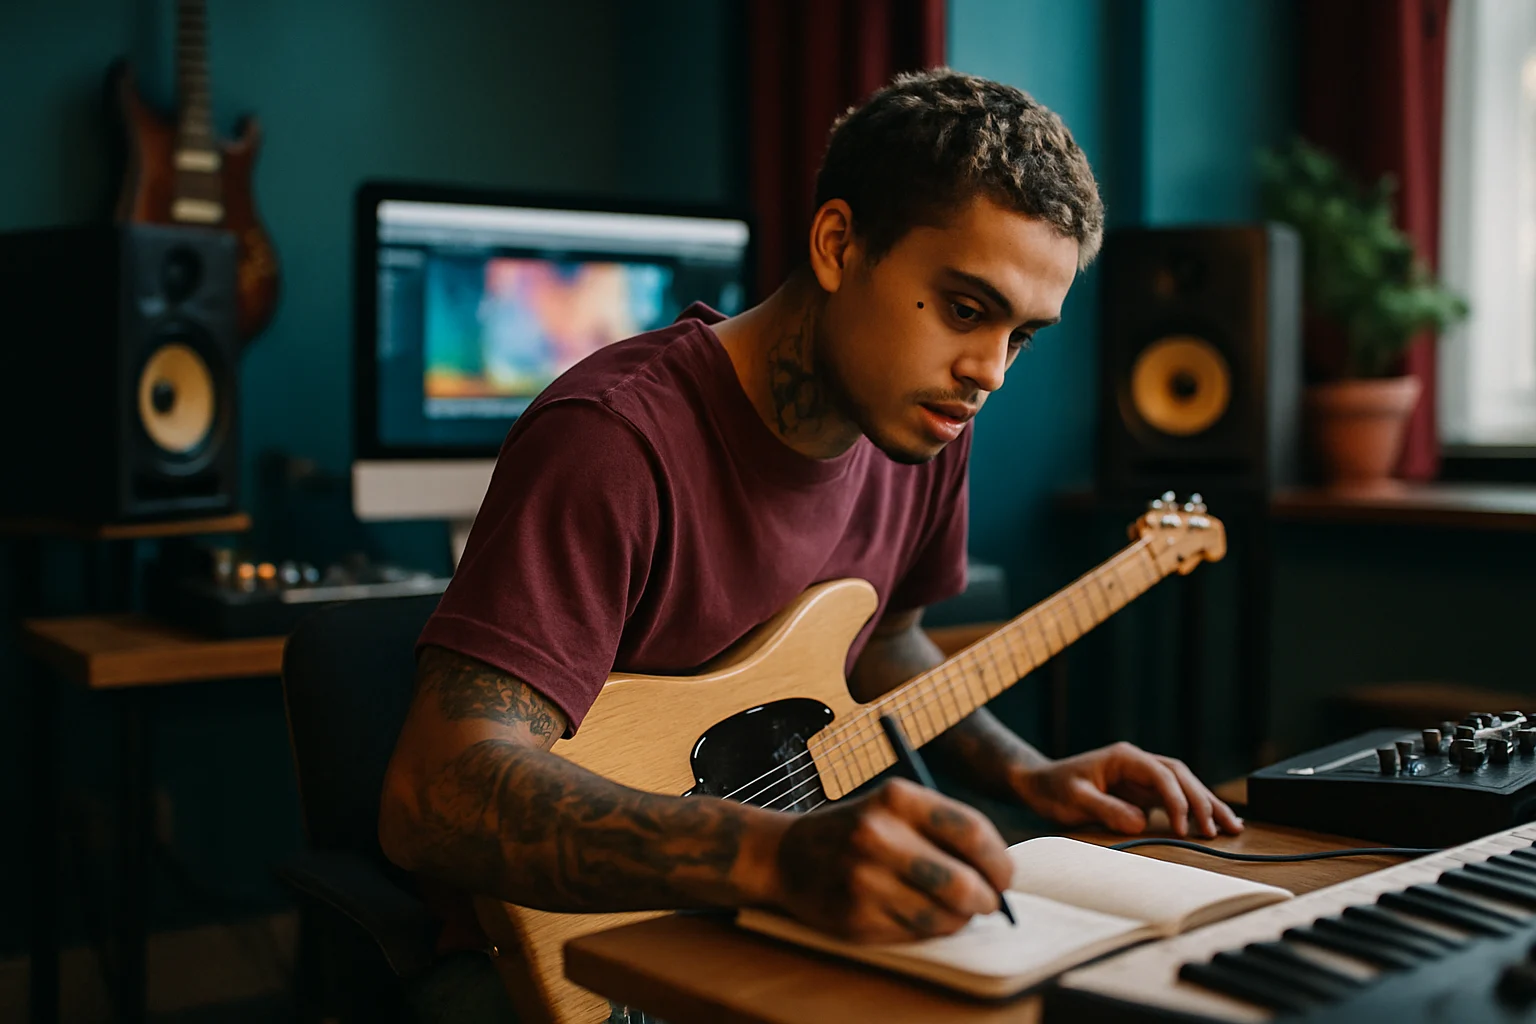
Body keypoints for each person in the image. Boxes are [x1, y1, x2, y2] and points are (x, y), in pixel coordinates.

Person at [380, 67, 1243, 1021]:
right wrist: (770, 854)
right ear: (838, 244)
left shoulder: (928, 426)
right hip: (577, 958)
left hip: (766, 914)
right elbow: (436, 790)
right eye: (965, 308)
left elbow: (882, 647)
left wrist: (1025, 773)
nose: (989, 371)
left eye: (1023, 337)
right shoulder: (613, 442)